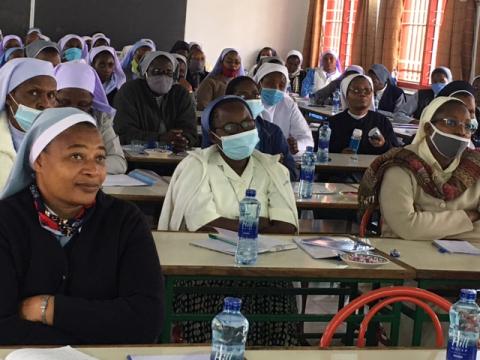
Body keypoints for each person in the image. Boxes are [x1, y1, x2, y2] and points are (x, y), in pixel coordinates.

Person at [0, 107, 164, 344]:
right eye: (76, 156)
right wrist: (99, 328)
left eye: (99, 157)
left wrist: (50, 309)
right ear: (39, 161)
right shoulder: (7, 222)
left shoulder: (125, 221)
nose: (93, 171)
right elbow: (3, 329)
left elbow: (148, 320)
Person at [158, 95, 298, 345]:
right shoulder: (197, 167)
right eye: (231, 128)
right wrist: (263, 222)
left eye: (247, 124)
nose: (242, 131)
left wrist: (232, 223)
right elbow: (203, 225)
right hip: (206, 268)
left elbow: (286, 227)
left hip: (264, 267)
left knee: (277, 290)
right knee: (212, 295)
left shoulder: (272, 167)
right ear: (214, 136)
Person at [359, 97, 480, 241]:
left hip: (463, 258)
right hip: (402, 256)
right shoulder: (401, 164)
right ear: (428, 128)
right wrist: (468, 217)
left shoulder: (475, 165)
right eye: (451, 123)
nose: (461, 131)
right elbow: (407, 227)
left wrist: (425, 227)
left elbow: (414, 229)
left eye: (468, 126)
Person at [113, 51, 197, 150]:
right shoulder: (129, 92)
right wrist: (159, 138)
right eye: (156, 72)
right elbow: (124, 132)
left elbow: (190, 131)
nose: (163, 76)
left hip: (176, 158)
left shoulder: (180, 94)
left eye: (168, 72)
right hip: (136, 158)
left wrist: (183, 140)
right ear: (145, 73)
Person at [54, 61, 127, 174]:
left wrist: (82, 166)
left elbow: (119, 162)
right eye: (64, 102)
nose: (73, 110)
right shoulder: (42, 119)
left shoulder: (100, 119)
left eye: (82, 105)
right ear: (53, 97)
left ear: (91, 103)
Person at [224, 76, 297, 180]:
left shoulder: (273, 132)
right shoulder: (221, 131)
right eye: (243, 96)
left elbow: (292, 174)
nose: (252, 100)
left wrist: (275, 168)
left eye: (256, 95)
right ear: (229, 99)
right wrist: (271, 166)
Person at [0, 58, 56, 191]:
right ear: (9, 97)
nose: (45, 104)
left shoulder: (60, 136)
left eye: (51, 95)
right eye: (34, 93)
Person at [328, 74, 399, 155]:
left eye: (367, 90)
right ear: (346, 95)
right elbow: (319, 152)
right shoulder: (332, 124)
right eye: (356, 90)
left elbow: (396, 152)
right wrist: (339, 155)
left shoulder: (382, 122)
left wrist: (383, 144)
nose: (362, 94)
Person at [254, 63, 313, 154]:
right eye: (270, 83)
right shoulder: (250, 103)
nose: (276, 89)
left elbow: (307, 140)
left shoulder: (288, 104)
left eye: (281, 85)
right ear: (259, 83)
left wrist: (297, 145)